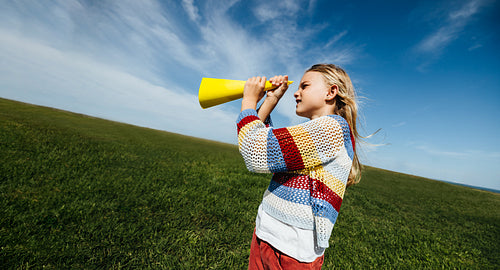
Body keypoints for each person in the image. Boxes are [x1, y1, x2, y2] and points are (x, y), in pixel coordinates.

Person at [236, 63, 361, 269]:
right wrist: (271, 99)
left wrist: (249, 100)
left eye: (304, 86)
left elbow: (255, 150)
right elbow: (260, 141)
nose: (296, 93)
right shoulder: (315, 130)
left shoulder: (332, 129)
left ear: (331, 92)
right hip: (265, 234)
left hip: (291, 254)